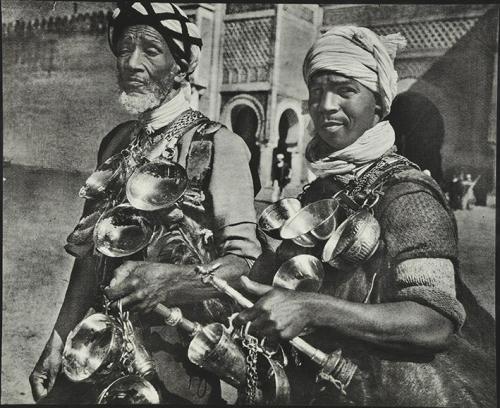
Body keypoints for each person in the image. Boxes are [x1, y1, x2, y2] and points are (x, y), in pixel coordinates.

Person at [235, 26, 495, 406]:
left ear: (379, 103)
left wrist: (314, 309)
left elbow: (433, 321)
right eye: (318, 90)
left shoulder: (408, 193)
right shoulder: (321, 189)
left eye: (345, 90)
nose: (325, 105)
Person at [29, 2, 261, 404]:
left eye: (151, 50)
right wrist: (57, 341)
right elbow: (89, 258)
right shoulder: (116, 142)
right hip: (95, 353)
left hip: (170, 368)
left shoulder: (217, 145)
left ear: (182, 66)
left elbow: (245, 265)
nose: (132, 63)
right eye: (124, 50)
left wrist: (168, 282)